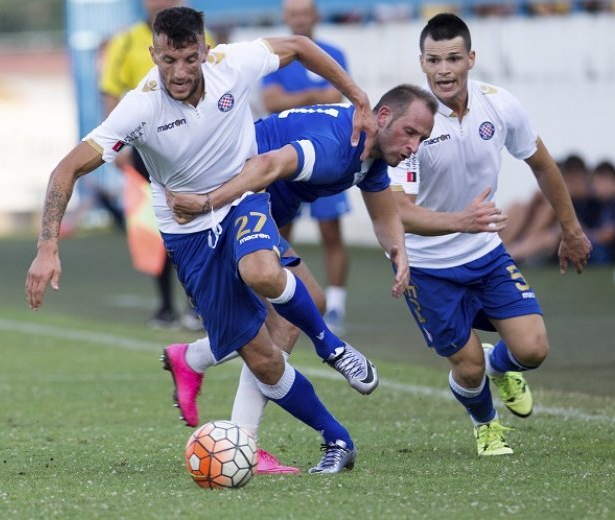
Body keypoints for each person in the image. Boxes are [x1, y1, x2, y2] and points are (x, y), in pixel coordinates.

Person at [26, 6, 380, 474]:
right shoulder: (140, 107)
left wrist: (358, 99)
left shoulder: (232, 64)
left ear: (205, 51)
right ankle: (338, 439)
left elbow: (298, 47)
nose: (178, 72)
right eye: (167, 60)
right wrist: (47, 247)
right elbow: (66, 168)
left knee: (262, 270)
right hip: (188, 236)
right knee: (263, 359)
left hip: (242, 201)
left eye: (189, 59)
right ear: (153, 53)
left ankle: (330, 345)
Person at [166, 85, 437, 472]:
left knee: (301, 307)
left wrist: (399, 251)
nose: (414, 146)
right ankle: (329, 354)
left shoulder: (372, 156)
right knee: (271, 297)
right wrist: (209, 203)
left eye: (422, 139)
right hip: (228, 202)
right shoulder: (336, 148)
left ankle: (203, 372)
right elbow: (267, 166)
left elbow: (383, 213)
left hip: (246, 206)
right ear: (382, 117)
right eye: (411, 132)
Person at [389, 13, 592, 457]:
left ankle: (503, 366)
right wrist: (463, 220)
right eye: (434, 59)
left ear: (471, 59)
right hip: (427, 266)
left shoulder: (500, 106)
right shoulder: (413, 124)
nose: (444, 69)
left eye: (454, 58)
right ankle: (487, 425)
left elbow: (542, 164)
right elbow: (400, 212)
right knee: (467, 366)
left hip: (485, 254)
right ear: (421, 64)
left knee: (533, 348)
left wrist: (571, 229)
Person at [99, 0, 213, 330]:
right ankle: (165, 305)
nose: (159, 0)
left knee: (198, 223)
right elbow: (111, 93)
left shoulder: (201, 37)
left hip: (192, 148)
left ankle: (199, 304)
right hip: (145, 149)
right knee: (155, 228)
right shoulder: (126, 42)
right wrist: (116, 146)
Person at [262, 0, 352, 333]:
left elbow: (338, 96)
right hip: (285, 159)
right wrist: (315, 97)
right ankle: (280, 298)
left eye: (305, 13)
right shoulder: (275, 56)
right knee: (278, 230)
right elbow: (271, 101)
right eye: (294, 14)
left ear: (316, 15)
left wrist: (296, 101)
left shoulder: (334, 53)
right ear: (286, 18)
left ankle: (337, 306)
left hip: (329, 156)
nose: (300, 19)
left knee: (332, 231)